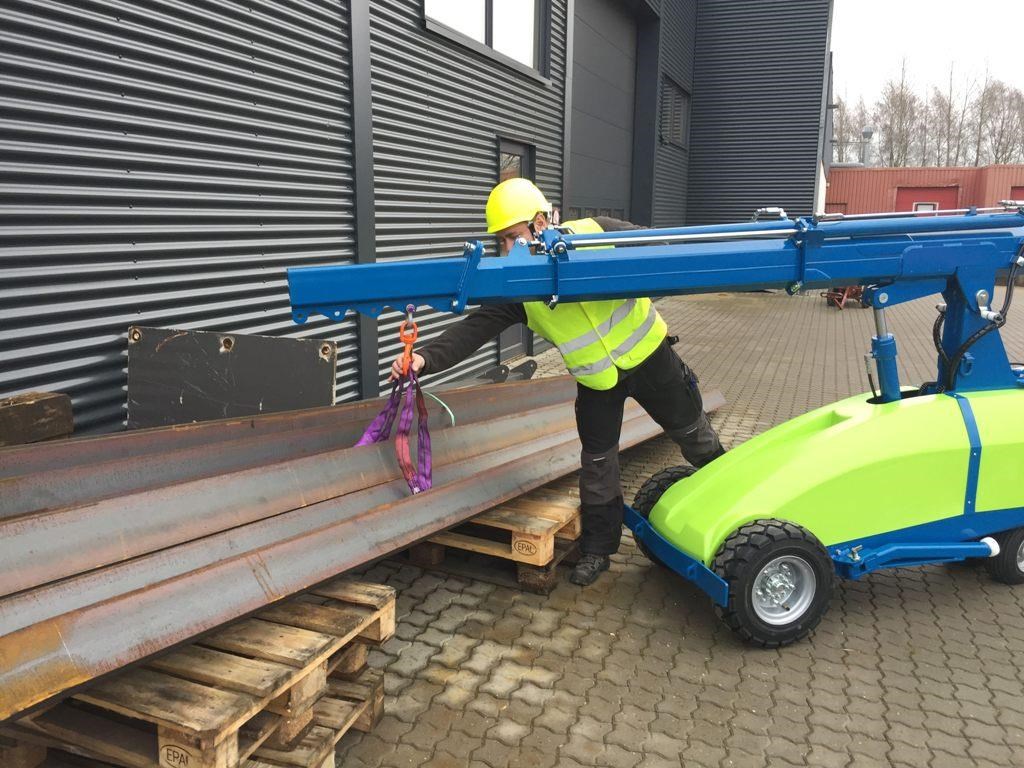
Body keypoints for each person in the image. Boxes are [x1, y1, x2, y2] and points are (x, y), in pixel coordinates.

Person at [390, 178, 724, 586]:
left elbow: (661, 248)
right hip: (598, 384)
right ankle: (598, 551)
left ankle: (731, 503)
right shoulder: (520, 287)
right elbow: (475, 328)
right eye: (501, 241)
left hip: (652, 361)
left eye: (512, 236)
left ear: (540, 222)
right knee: (598, 465)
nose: (508, 250)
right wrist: (423, 359)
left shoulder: (597, 232)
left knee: (693, 434)